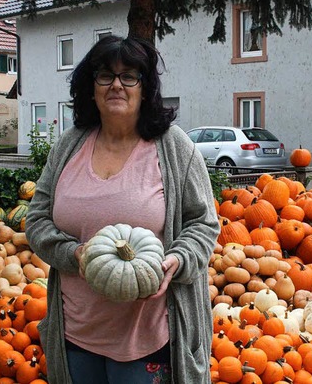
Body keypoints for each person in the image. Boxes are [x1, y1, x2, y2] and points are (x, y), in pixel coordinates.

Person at [25, 34, 220, 384]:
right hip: (76, 332)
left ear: (145, 88)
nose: (117, 84)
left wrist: (178, 261)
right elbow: (37, 219)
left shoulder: (176, 148)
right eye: (105, 75)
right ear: (92, 86)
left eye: (129, 75)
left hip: (149, 333)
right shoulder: (68, 146)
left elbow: (203, 223)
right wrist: (74, 254)